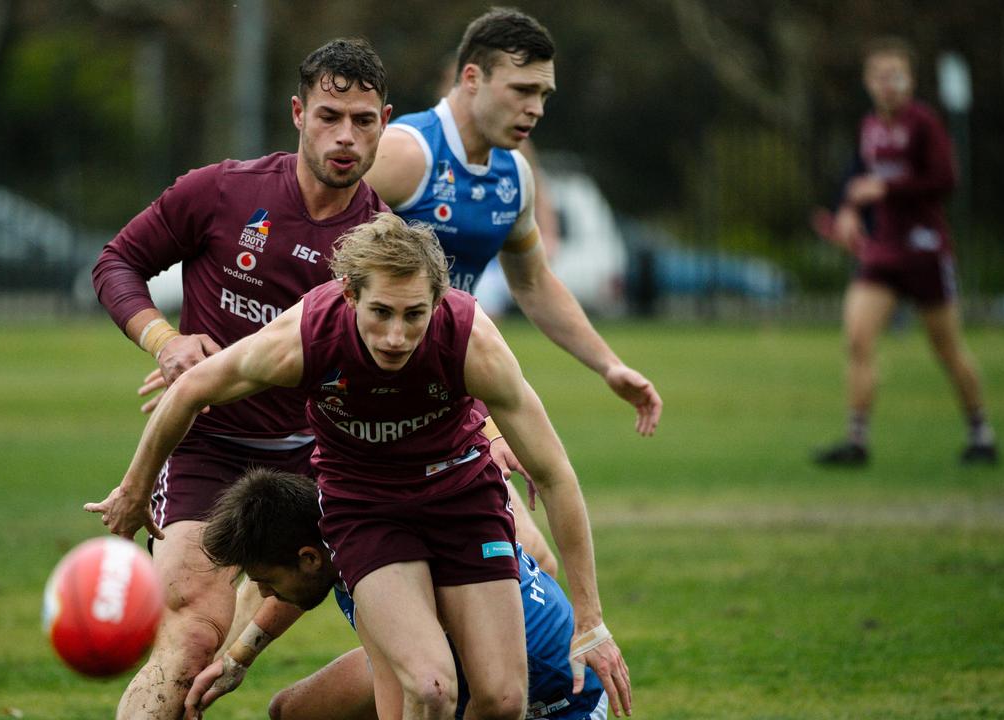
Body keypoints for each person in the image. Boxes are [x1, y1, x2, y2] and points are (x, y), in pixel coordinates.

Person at [87, 213, 636, 719]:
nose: (396, 336)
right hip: (366, 508)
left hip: (462, 498)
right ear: (350, 295)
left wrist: (590, 619)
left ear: (439, 301)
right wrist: (135, 489)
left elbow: (557, 474)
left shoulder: (472, 342)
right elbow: (188, 391)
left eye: (414, 315)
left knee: (502, 699)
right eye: (381, 313)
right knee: (430, 687)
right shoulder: (305, 337)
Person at [87, 38, 392, 719]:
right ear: (296, 113)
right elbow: (117, 263)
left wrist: (487, 432)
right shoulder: (223, 192)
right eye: (329, 115)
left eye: (363, 120)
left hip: (317, 461)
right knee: (192, 637)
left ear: (385, 122)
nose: (345, 136)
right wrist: (164, 340)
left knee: (403, 639)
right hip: (208, 444)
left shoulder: (382, 243)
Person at [364, 7, 662, 497]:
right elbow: (310, 246)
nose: (537, 108)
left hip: (441, 393)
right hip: (366, 395)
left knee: (531, 558)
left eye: (543, 95)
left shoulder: (514, 176)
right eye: (523, 90)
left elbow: (533, 282)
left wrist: (609, 365)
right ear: (472, 78)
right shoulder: (406, 153)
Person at [182, 466, 609, 720]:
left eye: (264, 581)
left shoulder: (393, 567)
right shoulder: (339, 527)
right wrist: (239, 658)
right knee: (292, 712)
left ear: (309, 557)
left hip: (557, 699)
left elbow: (493, 700)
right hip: (460, 665)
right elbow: (297, 591)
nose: (262, 592)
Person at [812, 36, 998, 466]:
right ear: (867, 81)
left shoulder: (923, 124)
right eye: (880, 76)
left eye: (896, 75)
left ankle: (981, 434)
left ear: (910, 80)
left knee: (947, 348)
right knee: (858, 338)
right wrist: (848, 212)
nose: (888, 84)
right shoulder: (869, 127)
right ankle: (857, 441)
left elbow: (945, 180)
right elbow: (856, 181)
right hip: (883, 251)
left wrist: (888, 188)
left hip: (925, 250)